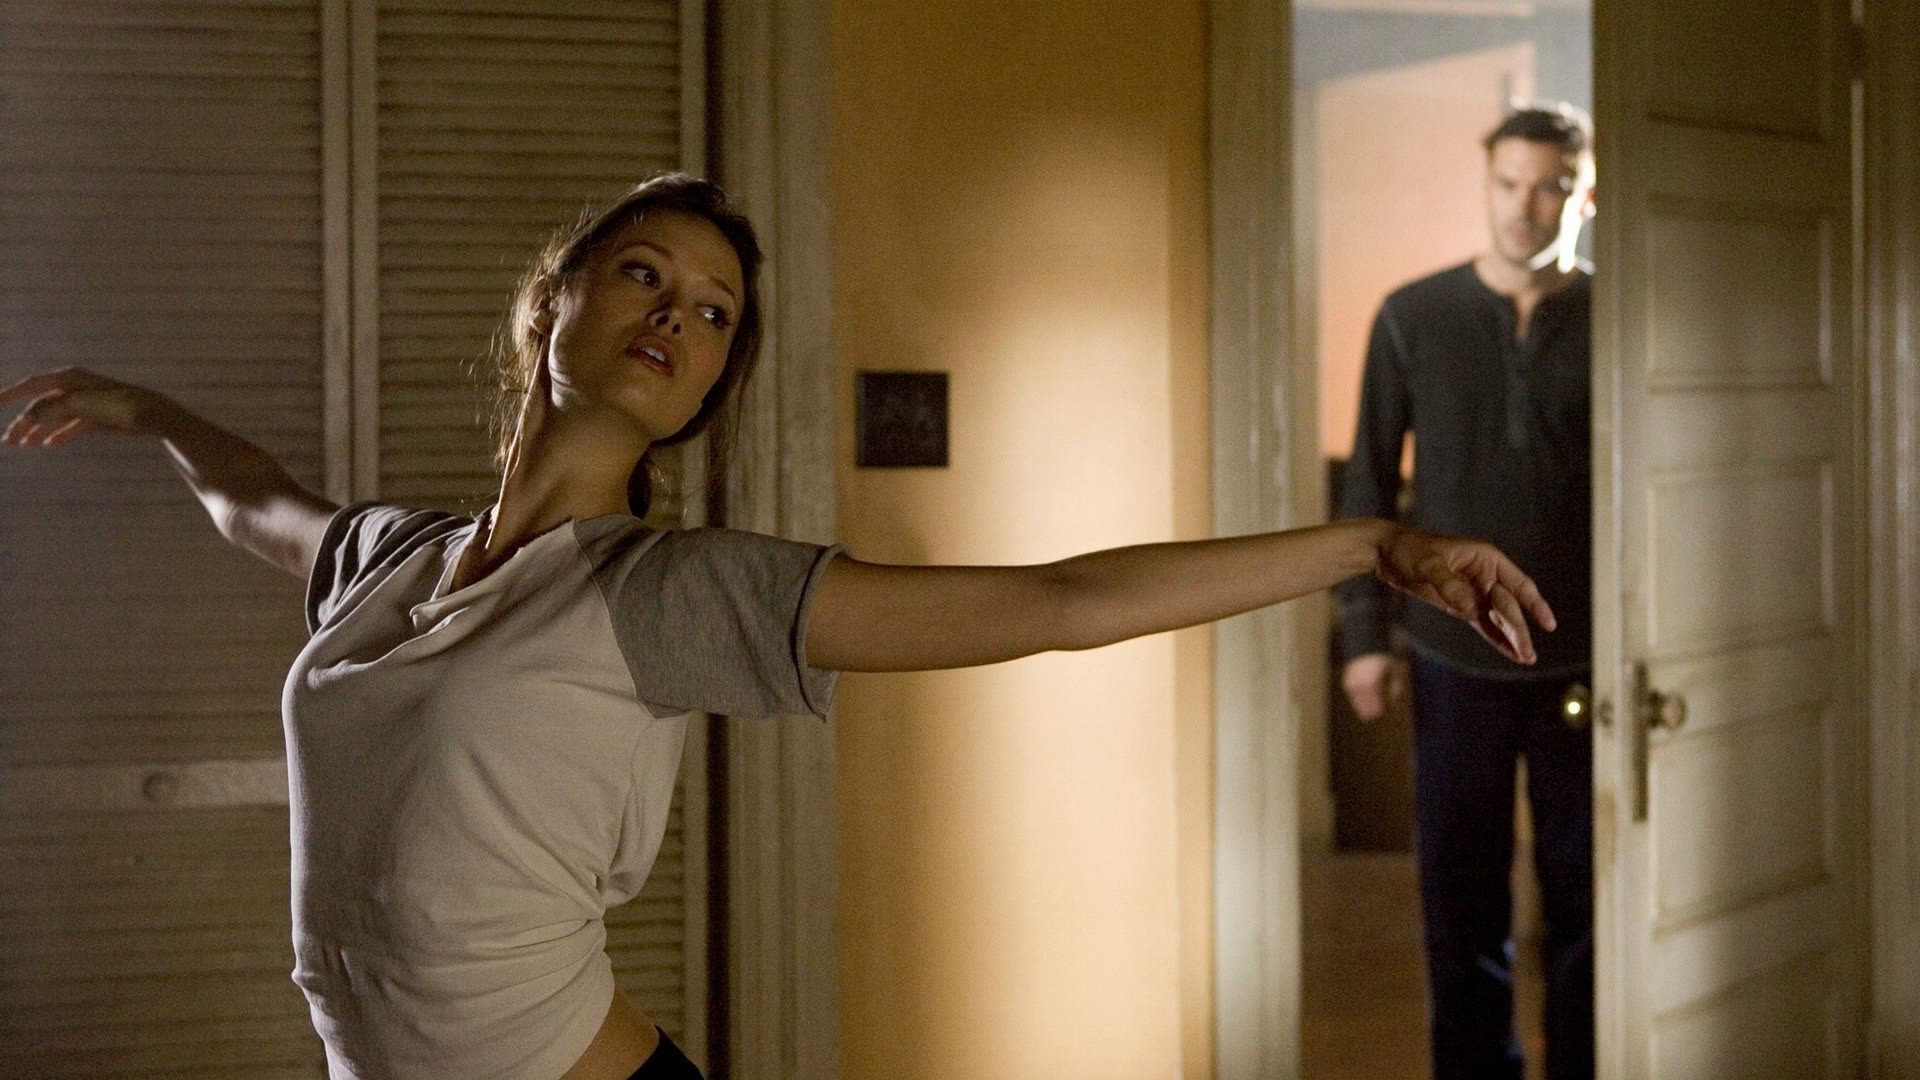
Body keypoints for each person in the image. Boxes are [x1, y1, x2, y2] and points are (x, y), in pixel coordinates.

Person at [2, 172, 1555, 1080]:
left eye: (713, 313)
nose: (674, 317)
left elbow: (1057, 604)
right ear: (554, 307)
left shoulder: (668, 592)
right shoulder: (390, 562)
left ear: (707, 385)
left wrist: (1373, 545)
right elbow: (261, 504)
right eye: (643, 276)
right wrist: (149, 413)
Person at [1335, 104, 1596, 1080]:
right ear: (1486, 183)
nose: (1525, 206)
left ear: (1580, 195)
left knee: (1588, 899)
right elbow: (1368, 483)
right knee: (1460, 898)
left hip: (1586, 657)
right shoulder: (1413, 315)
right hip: (1452, 659)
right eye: (1509, 183)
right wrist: (1365, 636)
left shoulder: (1620, 314)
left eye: (1549, 186)